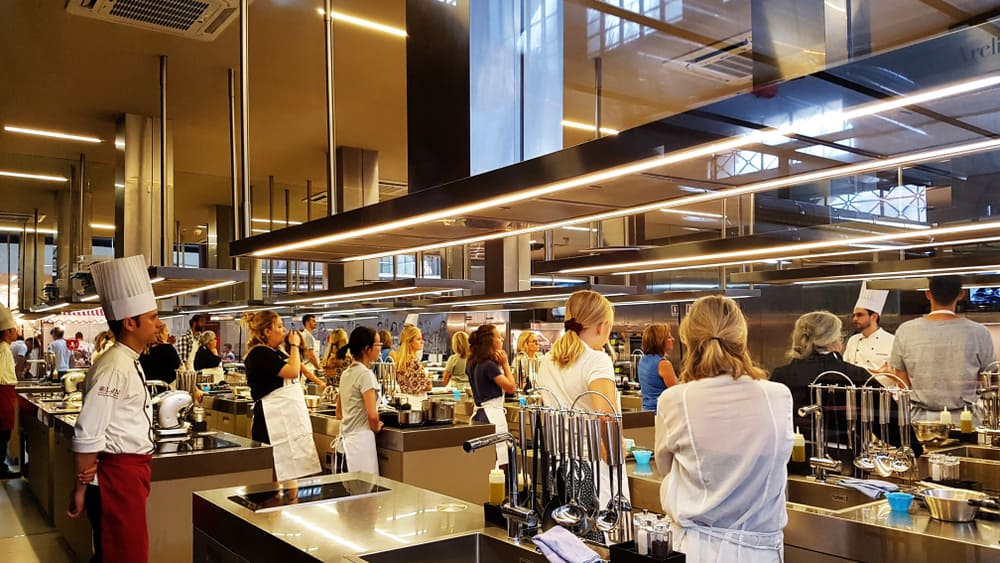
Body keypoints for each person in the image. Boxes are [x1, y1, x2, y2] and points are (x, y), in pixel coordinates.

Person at [654, 295, 793, 562]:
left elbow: (664, 468)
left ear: (688, 340)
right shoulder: (778, 395)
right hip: (760, 552)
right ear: (742, 337)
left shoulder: (674, 400)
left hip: (694, 548)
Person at [67, 255, 163, 563]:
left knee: (124, 553)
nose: (159, 324)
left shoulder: (128, 360)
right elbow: (88, 431)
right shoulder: (113, 367)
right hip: (115, 478)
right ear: (130, 323)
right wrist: (81, 489)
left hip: (130, 474)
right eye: (153, 317)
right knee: (121, 556)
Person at [771, 311, 921, 473]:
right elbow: (890, 420)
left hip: (792, 464)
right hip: (846, 466)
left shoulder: (781, 375)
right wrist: (912, 447)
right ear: (836, 340)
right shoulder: (855, 376)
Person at [536, 290, 625, 508]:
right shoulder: (597, 360)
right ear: (602, 327)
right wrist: (616, 455)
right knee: (602, 537)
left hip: (560, 465)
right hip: (593, 467)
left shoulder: (547, 361)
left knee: (569, 537)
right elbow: (604, 415)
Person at [891, 275, 995, 425]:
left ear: (928, 293)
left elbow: (901, 379)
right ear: (961, 294)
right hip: (965, 421)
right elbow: (987, 378)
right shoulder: (979, 332)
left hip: (920, 422)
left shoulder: (906, 330)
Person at [242, 310, 320, 481]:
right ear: (267, 331)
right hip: (272, 422)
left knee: (296, 473)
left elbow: (297, 367)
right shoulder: (260, 353)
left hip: (291, 419)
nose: (283, 330)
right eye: (278, 326)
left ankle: (291, 503)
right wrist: (294, 345)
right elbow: (292, 371)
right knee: (276, 473)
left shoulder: (276, 351)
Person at [335, 326, 384, 475]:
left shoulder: (346, 373)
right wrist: (376, 427)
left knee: (348, 496)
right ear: (367, 349)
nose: (380, 348)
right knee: (365, 495)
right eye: (378, 344)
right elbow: (372, 415)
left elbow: (339, 413)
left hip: (343, 446)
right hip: (360, 446)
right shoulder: (365, 375)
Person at [466, 325, 517, 467]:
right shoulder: (489, 365)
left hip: (479, 414)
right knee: (498, 458)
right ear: (490, 341)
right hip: (491, 415)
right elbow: (511, 387)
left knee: (483, 459)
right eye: (498, 337)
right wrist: (505, 363)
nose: (501, 339)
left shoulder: (472, 363)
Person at [844, 285, 894, 375]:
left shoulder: (892, 341)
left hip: (882, 388)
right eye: (854, 315)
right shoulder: (853, 340)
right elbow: (845, 368)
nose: (855, 319)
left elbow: (898, 375)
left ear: (874, 317)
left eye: (859, 315)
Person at [638, 324, 678, 411]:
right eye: (669, 337)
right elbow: (677, 392)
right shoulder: (663, 364)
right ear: (660, 341)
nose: (673, 339)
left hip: (646, 413)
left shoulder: (642, 360)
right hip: (661, 414)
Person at [0, 305, 19, 479]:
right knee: (2, 432)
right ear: (7, 332)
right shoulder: (3, 350)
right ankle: (0, 467)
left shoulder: (5, 349)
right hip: (2, 395)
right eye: (14, 328)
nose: (17, 331)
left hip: (5, 394)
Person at [395, 325, 431, 408]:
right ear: (410, 342)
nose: (422, 341)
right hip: (417, 403)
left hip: (405, 401)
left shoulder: (400, 361)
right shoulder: (414, 362)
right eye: (418, 339)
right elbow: (428, 386)